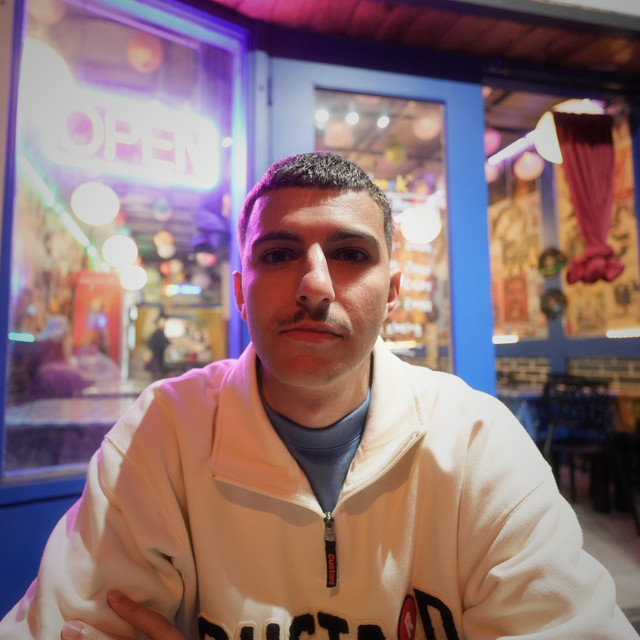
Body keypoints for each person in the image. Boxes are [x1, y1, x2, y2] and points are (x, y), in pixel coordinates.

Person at [0, 152, 637, 640]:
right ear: (241, 292)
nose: (314, 285)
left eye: (351, 253)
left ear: (393, 294)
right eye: (279, 254)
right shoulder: (164, 431)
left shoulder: (476, 441)